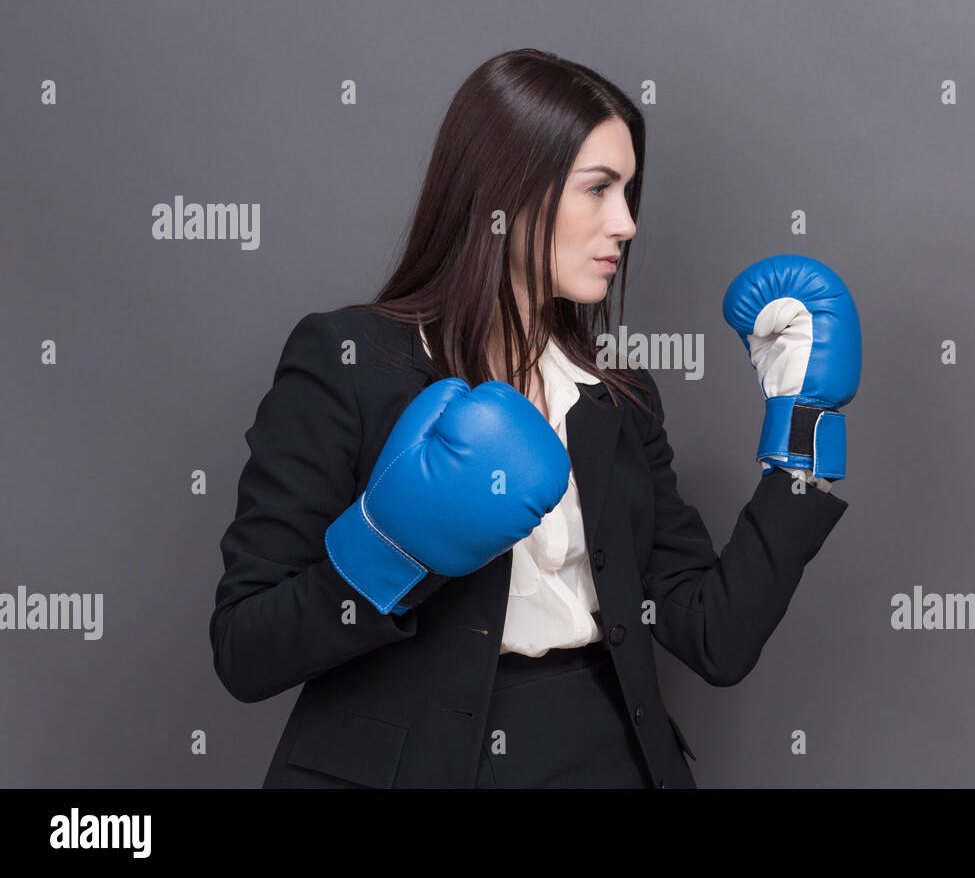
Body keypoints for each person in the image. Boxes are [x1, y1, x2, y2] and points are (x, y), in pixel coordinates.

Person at [209, 48, 857, 788]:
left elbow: (716, 637)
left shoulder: (617, 398)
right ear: (506, 193)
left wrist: (801, 437)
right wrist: (391, 550)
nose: (626, 224)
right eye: (598, 189)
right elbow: (243, 649)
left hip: (602, 758)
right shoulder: (348, 360)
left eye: (629, 192)